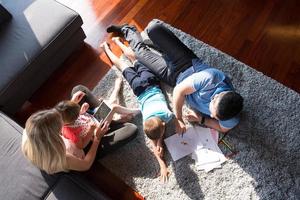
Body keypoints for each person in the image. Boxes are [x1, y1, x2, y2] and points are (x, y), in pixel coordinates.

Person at [106, 22, 244, 135]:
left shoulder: (231, 116)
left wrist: (201, 119)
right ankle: (157, 45)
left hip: (173, 78)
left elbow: (222, 127)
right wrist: (178, 119)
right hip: (186, 63)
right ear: (215, 97)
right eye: (213, 112)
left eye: (215, 116)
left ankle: (127, 30)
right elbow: (179, 91)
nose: (212, 116)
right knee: (153, 28)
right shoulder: (212, 78)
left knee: (139, 54)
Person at [22, 80, 138, 174]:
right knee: (131, 129)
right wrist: (97, 138)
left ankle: (112, 119)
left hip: (82, 128)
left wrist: (72, 104)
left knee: (79, 90)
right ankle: (112, 120)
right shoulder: (60, 157)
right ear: (55, 136)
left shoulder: (33, 126)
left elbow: (59, 119)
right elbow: (85, 165)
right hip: (85, 148)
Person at [100, 38, 173, 182]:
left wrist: (162, 160)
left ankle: (110, 46)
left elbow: (156, 140)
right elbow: (156, 140)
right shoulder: (150, 118)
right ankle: (112, 45)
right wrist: (159, 145)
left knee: (132, 61)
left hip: (151, 84)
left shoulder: (166, 115)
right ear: (163, 125)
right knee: (126, 64)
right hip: (138, 88)